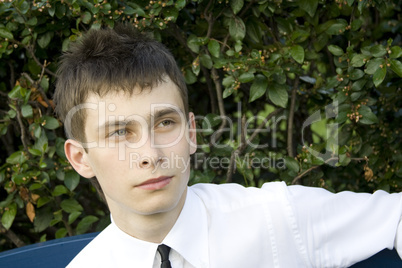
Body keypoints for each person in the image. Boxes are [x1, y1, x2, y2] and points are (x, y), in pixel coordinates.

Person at [54, 24, 402, 268]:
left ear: (191, 133)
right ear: (80, 159)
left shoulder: (275, 217)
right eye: (119, 133)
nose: (150, 155)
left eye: (164, 123)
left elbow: (395, 215)